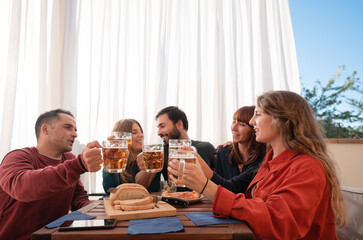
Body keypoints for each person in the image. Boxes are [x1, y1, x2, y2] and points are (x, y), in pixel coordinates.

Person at [168, 91, 346, 239]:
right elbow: (252, 205)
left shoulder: (307, 168)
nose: (252, 121)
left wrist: (204, 185)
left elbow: (278, 223)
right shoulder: (269, 163)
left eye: (258, 114)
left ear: (283, 121)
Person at [0, 109, 103, 240]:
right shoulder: (18, 157)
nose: (75, 134)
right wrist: (79, 165)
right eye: (68, 127)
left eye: (75, 130)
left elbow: (78, 198)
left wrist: (102, 208)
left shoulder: (68, 159)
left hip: (55, 237)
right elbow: (22, 188)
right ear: (45, 129)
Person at [136, 106, 216, 190]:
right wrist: (148, 164)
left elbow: (221, 181)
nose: (158, 133)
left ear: (179, 125)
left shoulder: (206, 148)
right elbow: (140, 185)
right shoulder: (161, 153)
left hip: (205, 202)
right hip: (173, 201)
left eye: (162, 126)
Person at [198, 106, 266, 194]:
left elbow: (232, 188)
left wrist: (204, 168)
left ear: (254, 129)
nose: (234, 128)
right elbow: (216, 189)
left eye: (241, 124)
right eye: (234, 122)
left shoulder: (263, 160)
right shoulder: (223, 152)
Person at [102, 119, 160, 192]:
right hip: (120, 203)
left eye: (141, 131)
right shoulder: (114, 160)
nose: (141, 135)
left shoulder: (151, 156)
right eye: (134, 132)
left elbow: (146, 188)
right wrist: (111, 159)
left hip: (149, 202)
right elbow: (109, 190)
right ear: (122, 137)